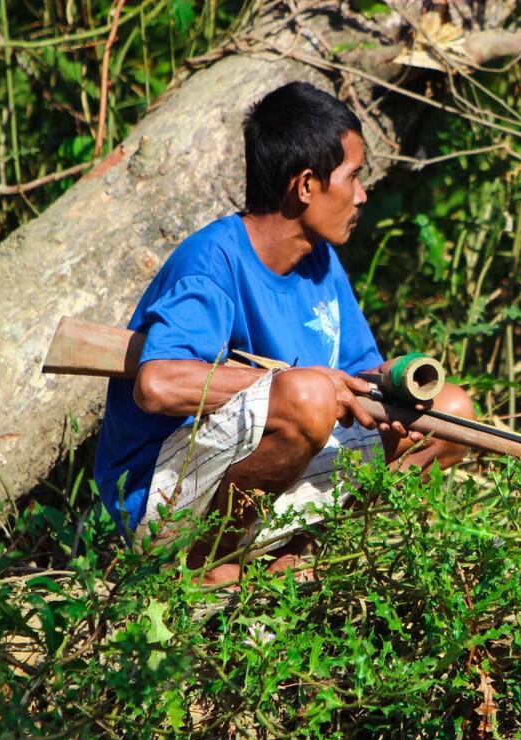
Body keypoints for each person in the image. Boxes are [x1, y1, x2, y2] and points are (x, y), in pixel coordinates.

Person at [93, 81, 473, 584]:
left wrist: (395, 383)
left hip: (272, 471)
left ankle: (297, 552)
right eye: (353, 176)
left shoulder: (321, 260)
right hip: (162, 500)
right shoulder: (212, 261)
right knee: (308, 394)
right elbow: (157, 384)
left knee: (453, 414)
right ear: (307, 185)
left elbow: (355, 374)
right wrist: (297, 387)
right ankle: (207, 567)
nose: (361, 195)